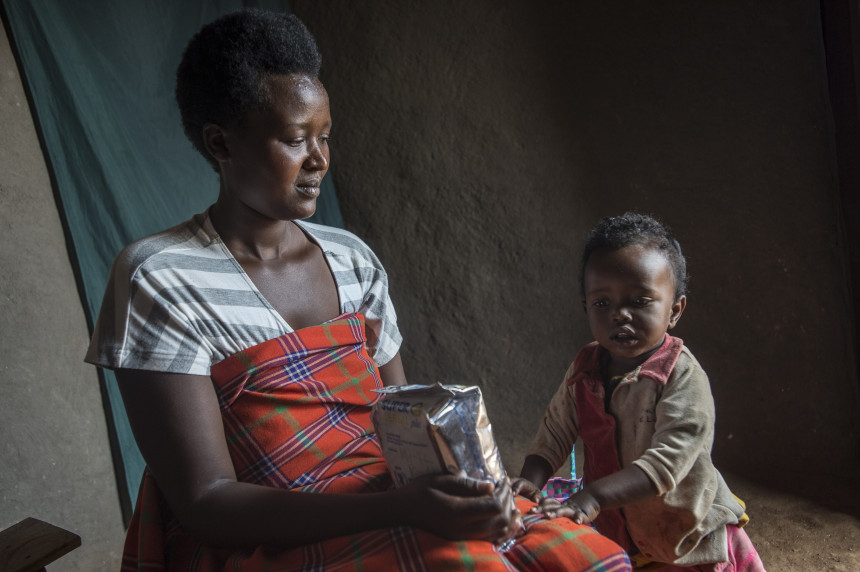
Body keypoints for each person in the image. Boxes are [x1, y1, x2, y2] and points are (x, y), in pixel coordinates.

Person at [85, 9, 632, 571]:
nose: (320, 160)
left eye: (325, 137)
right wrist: (402, 511)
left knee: (588, 559)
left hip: (390, 500)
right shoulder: (160, 278)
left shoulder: (351, 260)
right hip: (275, 535)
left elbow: (409, 432)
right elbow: (205, 503)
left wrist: (472, 492)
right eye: (296, 140)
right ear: (221, 143)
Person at [512, 213, 765, 571]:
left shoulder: (682, 378)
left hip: (683, 531)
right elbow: (555, 431)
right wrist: (529, 481)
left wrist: (594, 496)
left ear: (675, 310)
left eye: (640, 301)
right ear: (586, 308)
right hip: (620, 528)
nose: (620, 315)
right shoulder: (584, 368)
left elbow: (666, 465)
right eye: (603, 303)